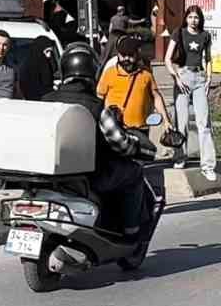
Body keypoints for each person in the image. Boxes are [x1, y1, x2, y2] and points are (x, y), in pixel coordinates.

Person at [39, 44, 149, 236]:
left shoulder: (45, 100)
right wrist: (134, 147)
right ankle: (131, 230)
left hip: (47, 175)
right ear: (92, 72)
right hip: (90, 177)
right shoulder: (97, 107)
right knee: (134, 173)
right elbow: (120, 143)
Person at [165, 5, 218, 180]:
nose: (193, 20)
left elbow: (208, 58)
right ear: (186, 18)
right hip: (183, 76)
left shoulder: (205, 36)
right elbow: (167, 59)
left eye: (196, 17)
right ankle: (180, 156)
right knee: (182, 122)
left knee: (204, 123)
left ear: (200, 19)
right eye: (190, 17)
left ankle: (208, 165)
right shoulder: (178, 33)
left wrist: (209, 78)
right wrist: (176, 77)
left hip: (200, 78)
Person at [98, 36, 175, 134]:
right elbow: (99, 99)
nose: (126, 59)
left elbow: (156, 97)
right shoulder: (109, 73)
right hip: (115, 129)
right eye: (123, 55)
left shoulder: (146, 75)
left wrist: (166, 120)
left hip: (141, 130)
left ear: (137, 55)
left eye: (130, 55)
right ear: (118, 55)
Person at [16, 36, 57, 102]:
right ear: (39, 49)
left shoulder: (49, 65)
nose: (49, 55)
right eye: (47, 51)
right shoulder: (28, 68)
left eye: (50, 52)